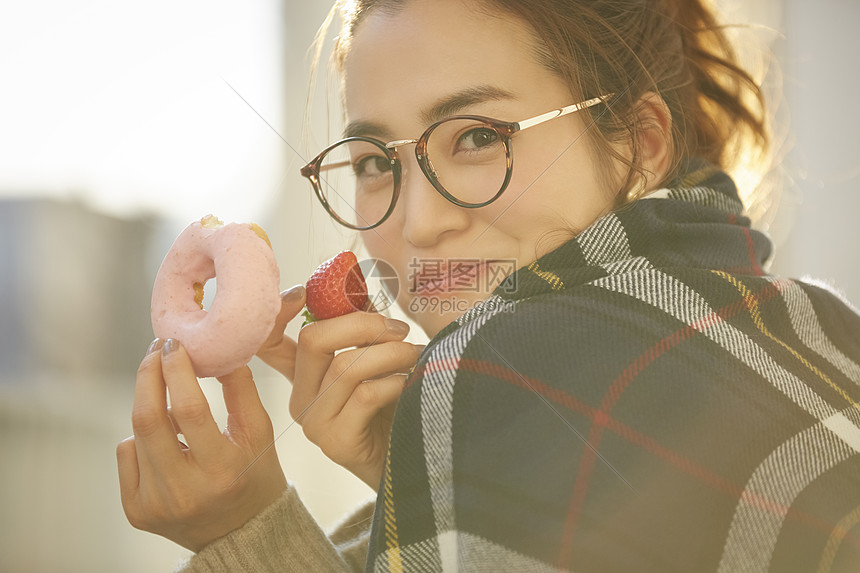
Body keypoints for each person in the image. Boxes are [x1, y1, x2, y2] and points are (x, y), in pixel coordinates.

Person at [117, 0, 860, 571]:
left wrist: (242, 528)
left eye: (477, 136)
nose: (419, 220)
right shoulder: (821, 321)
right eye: (375, 161)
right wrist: (417, 472)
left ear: (641, 143)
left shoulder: (499, 360)